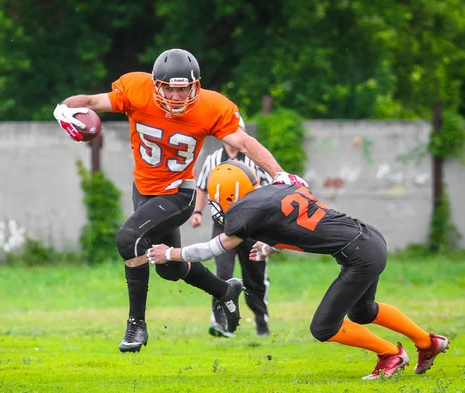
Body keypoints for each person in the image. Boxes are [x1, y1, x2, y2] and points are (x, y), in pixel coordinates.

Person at [53, 48, 308, 353]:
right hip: (144, 190)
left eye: (182, 88)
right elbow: (92, 102)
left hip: (179, 192)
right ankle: (225, 290)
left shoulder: (211, 107)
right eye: (169, 88)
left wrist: (279, 173)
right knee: (170, 268)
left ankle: (136, 325)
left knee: (128, 238)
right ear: (156, 84)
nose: (175, 96)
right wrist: (64, 109)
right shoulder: (136, 88)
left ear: (195, 86)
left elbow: (244, 142)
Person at [147, 161, 450, 379]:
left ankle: (390, 355)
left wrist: (171, 252)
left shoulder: (243, 212)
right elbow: (302, 224)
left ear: (226, 194)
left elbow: (213, 248)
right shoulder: (280, 187)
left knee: (323, 327)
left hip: (359, 255)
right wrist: (271, 245)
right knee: (363, 311)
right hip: (369, 238)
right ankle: (428, 342)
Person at [192, 142, 272, 337]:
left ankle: (261, 321)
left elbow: (269, 190)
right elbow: (202, 187)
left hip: (252, 226)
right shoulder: (213, 159)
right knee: (222, 273)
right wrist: (197, 212)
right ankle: (219, 322)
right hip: (223, 225)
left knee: (255, 276)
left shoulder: (255, 158)